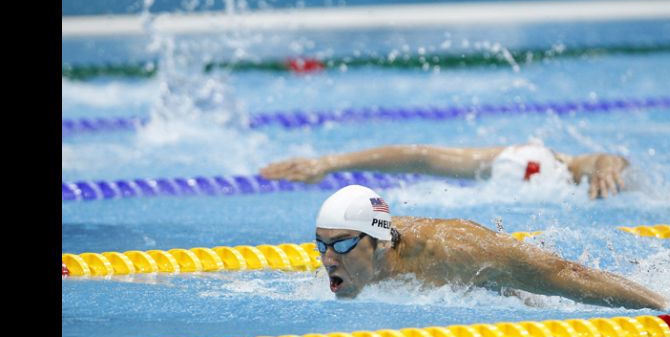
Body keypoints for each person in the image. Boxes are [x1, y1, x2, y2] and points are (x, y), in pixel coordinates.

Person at [314, 184, 668, 309]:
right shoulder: (350, 258)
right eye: (321, 245)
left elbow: (567, 274)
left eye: (341, 244)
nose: (328, 259)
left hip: (499, 281)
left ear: (378, 243)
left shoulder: (455, 250)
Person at [260, 141, 629, 200]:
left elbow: (604, 160)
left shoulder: (568, 168)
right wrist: (330, 163)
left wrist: (608, 166)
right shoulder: (520, 159)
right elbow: (423, 157)